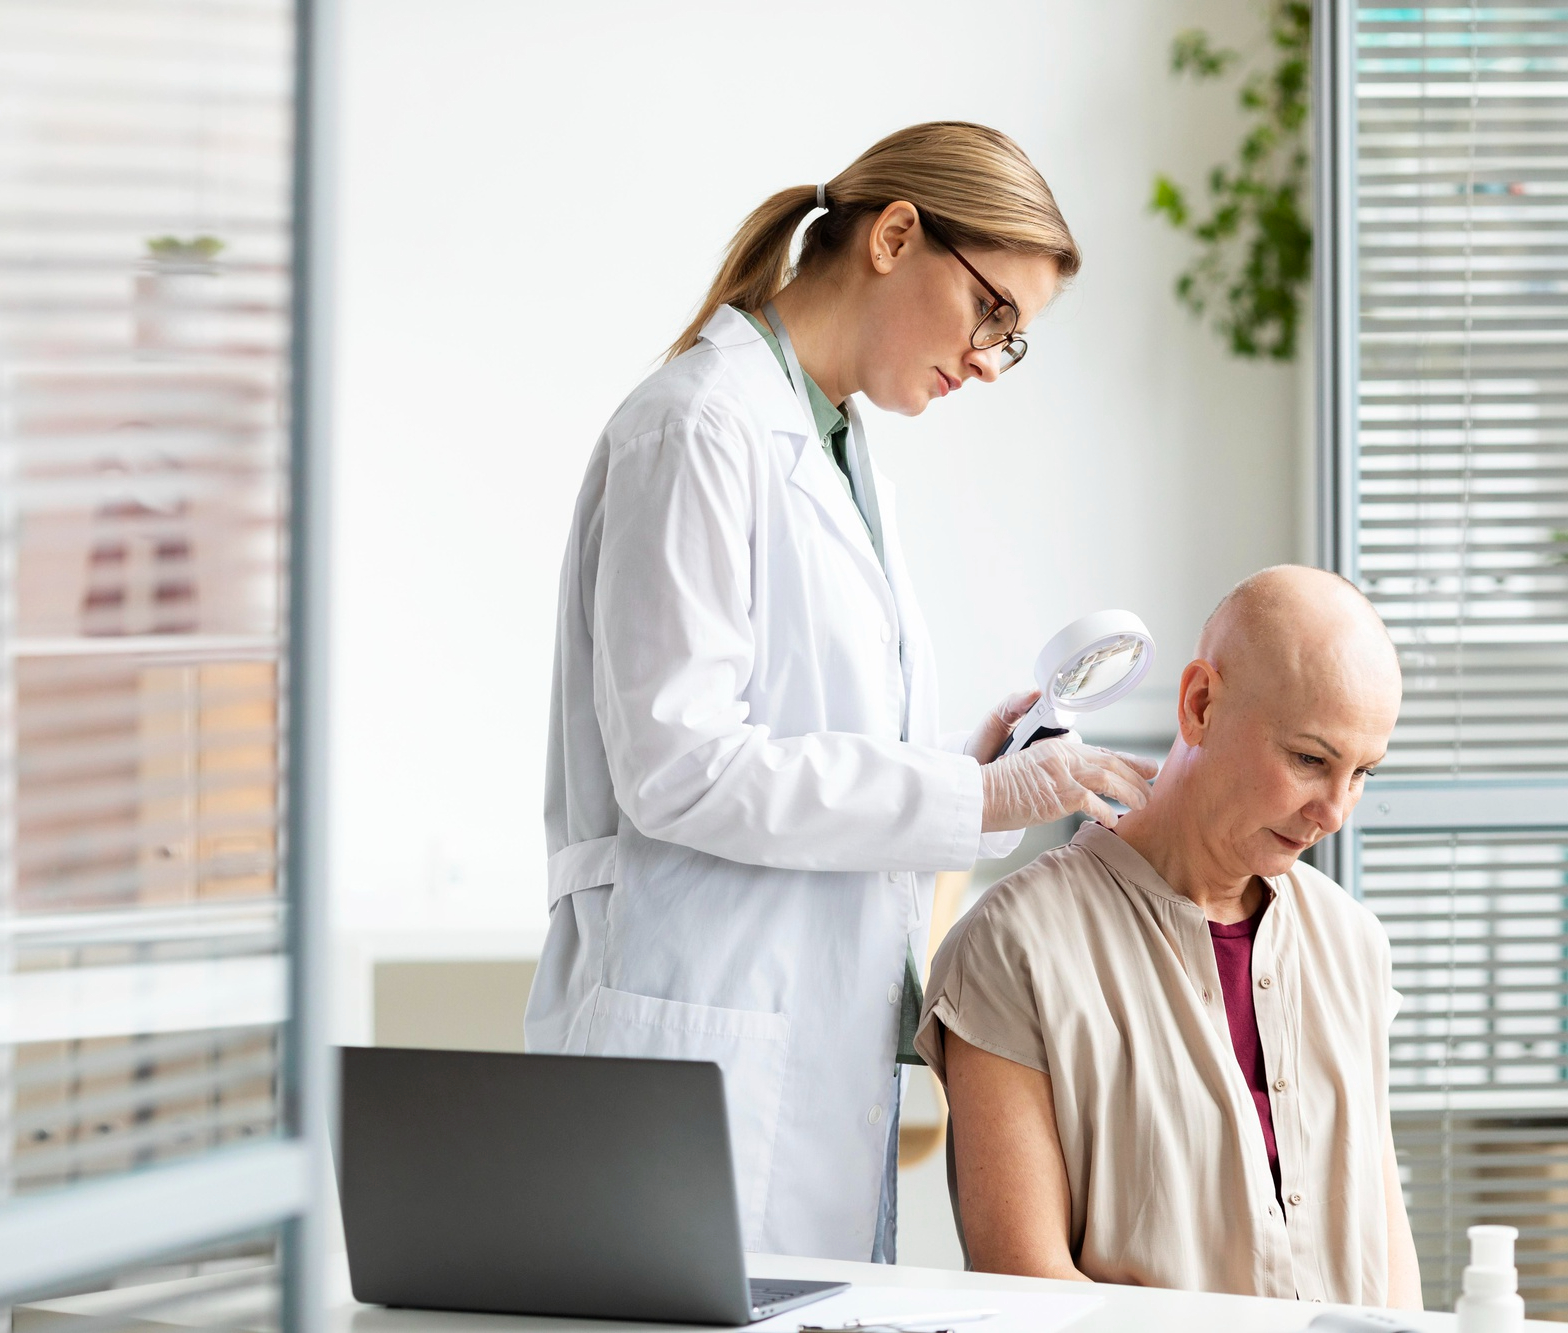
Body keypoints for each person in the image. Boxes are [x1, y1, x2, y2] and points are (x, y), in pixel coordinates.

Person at [524, 122, 1157, 1263]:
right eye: (991, 313)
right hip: (695, 1039)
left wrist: (969, 768)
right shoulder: (699, 426)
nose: (984, 359)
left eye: (1012, 341)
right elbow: (680, 770)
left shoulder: (835, 442)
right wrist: (974, 800)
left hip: (800, 1053)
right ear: (896, 236)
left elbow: (811, 743)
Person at [916, 565, 1422, 1308]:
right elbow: (1024, 1288)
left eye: (1363, 772)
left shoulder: (1351, 943)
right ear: (1200, 703)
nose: (1335, 811)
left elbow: (1390, 1270)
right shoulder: (1014, 947)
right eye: (1310, 759)